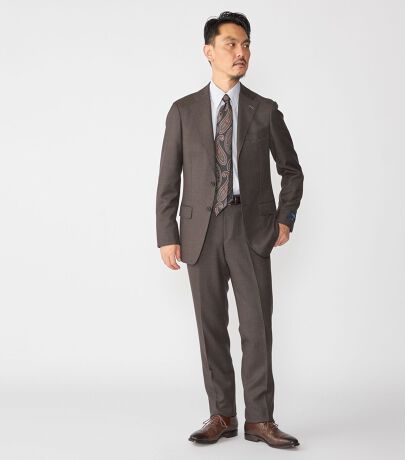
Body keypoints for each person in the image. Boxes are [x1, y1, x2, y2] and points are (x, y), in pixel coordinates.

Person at [155, 11, 303, 449]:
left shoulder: (264, 110)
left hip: (250, 228)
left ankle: (260, 419)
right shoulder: (182, 111)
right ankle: (222, 414)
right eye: (231, 44)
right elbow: (168, 178)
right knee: (211, 326)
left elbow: (291, 170)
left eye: (246, 45)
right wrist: (166, 233)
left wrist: (284, 218)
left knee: (257, 327)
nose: (241, 52)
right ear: (209, 51)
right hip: (198, 232)